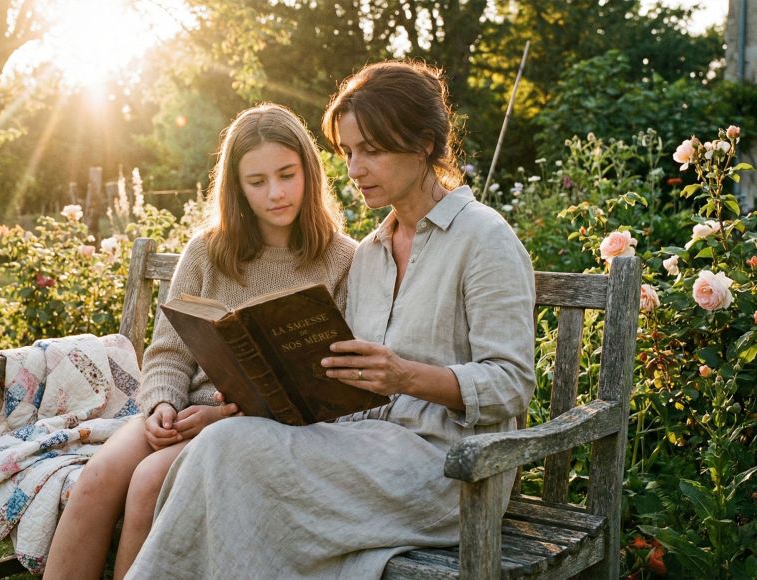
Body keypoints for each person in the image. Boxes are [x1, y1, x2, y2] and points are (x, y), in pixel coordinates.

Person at [124, 60, 536, 579]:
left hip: (450, 471)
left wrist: (406, 376)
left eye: (372, 150)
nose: (354, 169)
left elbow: (513, 383)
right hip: (362, 450)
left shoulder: (484, 239)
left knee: (234, 463)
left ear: (425, 144)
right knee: (224, 443)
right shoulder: (370, 253)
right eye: (347, 152)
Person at [43, 103, 357, 579]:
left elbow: (322, 391)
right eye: (257, 182)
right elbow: (168, 350)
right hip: (181, 414)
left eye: (287, 174)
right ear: (236, 186)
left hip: (259, 428)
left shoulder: (341, 260)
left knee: (149, 480)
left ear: (310, 173)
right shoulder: (209, 250)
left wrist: (220, 415)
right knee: (98, 478)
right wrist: (160, 407)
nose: (276, 193)